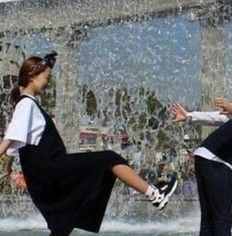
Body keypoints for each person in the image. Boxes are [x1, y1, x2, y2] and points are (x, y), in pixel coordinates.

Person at [0, 51, 177, 236]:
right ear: (31, 77)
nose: (49, 81)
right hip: (52, 170)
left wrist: (6, 169)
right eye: (47, 77)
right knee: (110, 158)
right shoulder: (26, 104)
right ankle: (155, 195)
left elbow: (14, 146)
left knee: (62, 227)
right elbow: (9, 139)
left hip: (42, 177)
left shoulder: (26, 104)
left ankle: (155, 194)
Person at [171, 101, 232, 236]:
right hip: (217, 160)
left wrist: (190, 116)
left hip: (205, 157)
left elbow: (220, 117)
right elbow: (224, 115)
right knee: (222, 219)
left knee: (209, 220)